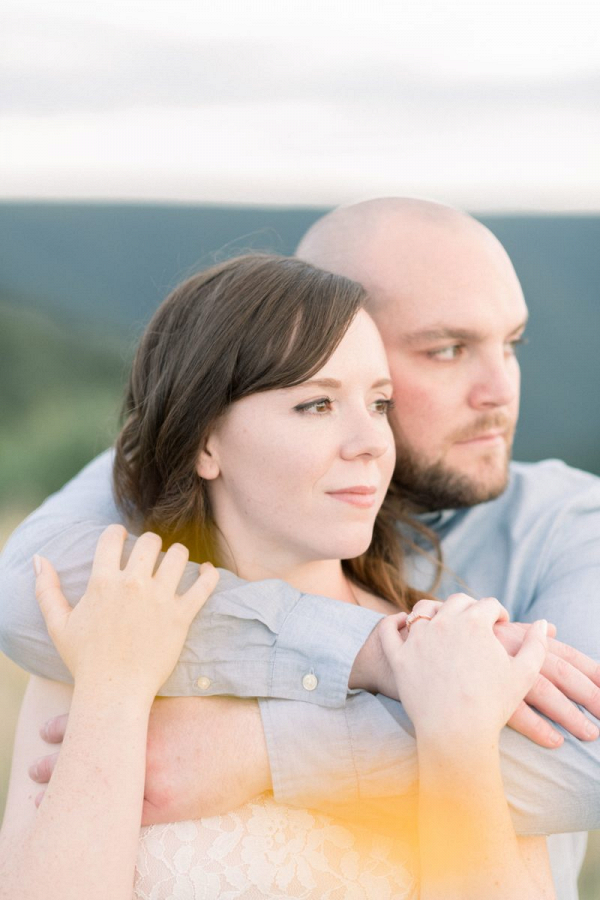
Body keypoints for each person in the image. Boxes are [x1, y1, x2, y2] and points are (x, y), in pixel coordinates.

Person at [2, 204, 600, 894]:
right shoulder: (115, 632)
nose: (373, 441)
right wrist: (115, 684)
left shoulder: (461, 650)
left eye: (379, 403)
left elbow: (580, 754)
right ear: (203, 439)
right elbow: (27, 583)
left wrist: (449, 733)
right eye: (316, 404)